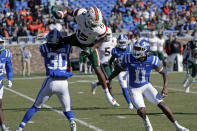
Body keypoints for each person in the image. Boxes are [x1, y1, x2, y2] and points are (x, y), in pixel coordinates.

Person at [108, 38, 189, 131]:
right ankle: (147, 124)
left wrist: (165, 87)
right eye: (136, 48)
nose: (135, 51)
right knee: (142, 110)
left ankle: (177, 126)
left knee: (162, 104)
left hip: (146, 86)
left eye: (138, 49)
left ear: (145, 50)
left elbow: (164, 72)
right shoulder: (128, 57)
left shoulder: (153, 59)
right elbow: (118, 69)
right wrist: (109, 79)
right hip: (134, 89)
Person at [51, 5, 119, 106]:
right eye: (93, 23)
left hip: (89, 45)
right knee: (56, 42)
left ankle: (108, 94)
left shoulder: (101, 28)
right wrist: (60, 10)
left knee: (97, 69)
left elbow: (103, 38)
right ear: (87, 17)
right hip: (76, 38)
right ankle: (54, 71)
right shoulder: (80, 14)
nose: (94, 26)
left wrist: (92, 48)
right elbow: (68, 10)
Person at [16, 29, 76, 131]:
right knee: (67, 109)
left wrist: (46, 37)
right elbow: (68, 47)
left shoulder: (44, 47)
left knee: (35, 107)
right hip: (63, 82)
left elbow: (45, 50)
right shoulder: (67, 47)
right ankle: (72, 121)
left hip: (51, 81)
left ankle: (20, 128)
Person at [109, 34, 133, 110]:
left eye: (123, 42)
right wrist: (110, 65)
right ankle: (129, 103)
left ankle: (134, 101)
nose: (122, 44)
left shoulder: (130, 48)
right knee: (124, 88)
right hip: (120, 72)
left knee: (132, 88)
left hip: (129, 71)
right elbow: (112, 59)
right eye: (121, 42)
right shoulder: (115, 50)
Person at [91, 27, 117, 95]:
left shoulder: (114, 40)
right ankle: (111, 96)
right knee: (108, 80)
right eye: (106, 35)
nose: (107, 36)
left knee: (108, 79)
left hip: (111, 63)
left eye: (108, 34)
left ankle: (95, 84)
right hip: (103, 63)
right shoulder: (99, 41)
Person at [0, 36, 13, 131]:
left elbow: (9, 68)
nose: (1, 44)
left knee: (0, 104)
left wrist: (10, 79)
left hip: (0, 82)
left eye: (1, 42)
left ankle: (3, 126)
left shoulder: (6, 53)